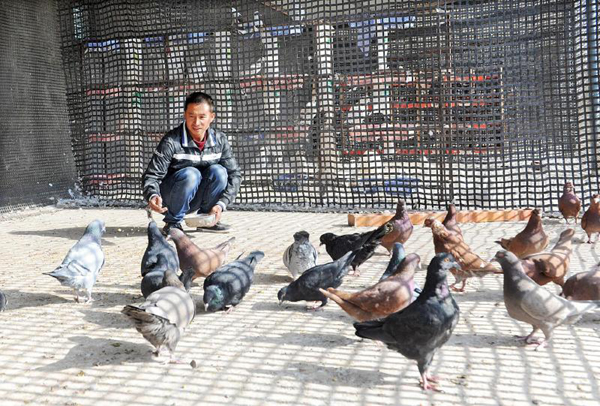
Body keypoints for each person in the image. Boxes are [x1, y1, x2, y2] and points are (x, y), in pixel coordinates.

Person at [142, 92, 241, 234]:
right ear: (184, 115)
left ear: (211, 117)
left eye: (202, 117)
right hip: (170, 199)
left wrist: (221, 204)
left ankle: (207, 220)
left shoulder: (220, 140)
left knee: (219, 171)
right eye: (191, 116)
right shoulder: (171, 141)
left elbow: (235, 175)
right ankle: (173, 223)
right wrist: (153, 195)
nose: (196, 123)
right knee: (191, 174)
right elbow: (151, 176)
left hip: (198, 198)